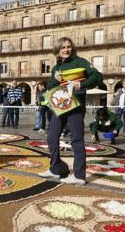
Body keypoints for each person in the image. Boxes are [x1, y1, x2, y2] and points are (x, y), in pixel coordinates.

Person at [40, 37, 103, 185]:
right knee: (51, 137)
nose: (66, 50)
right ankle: (56, 169)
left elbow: (98, 76)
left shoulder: (80, 62)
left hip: (75, 106)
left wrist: (82, 86)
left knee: (76, 139)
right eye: (63, 48)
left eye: (69, 47)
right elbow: (49, 88)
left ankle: (79, 175)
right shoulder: (56, 68)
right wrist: (55, 80)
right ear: (57, 50)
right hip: (59, 105)